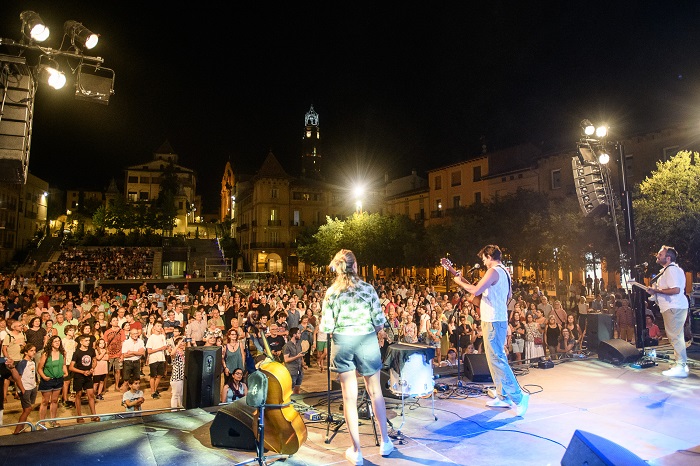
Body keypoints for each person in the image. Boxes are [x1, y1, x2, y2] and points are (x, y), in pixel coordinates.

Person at [320, 249, 395, 465]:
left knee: (349, 398)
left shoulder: (332, 292)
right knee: (375, 391)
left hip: (343, 341)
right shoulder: (368, 288)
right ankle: (385, 442)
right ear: (355, 266)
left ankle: (356, 450)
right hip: (366, 340)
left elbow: (326, 326)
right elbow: (379, 323)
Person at [454, 245, 529, 416]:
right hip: (496, 319)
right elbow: (508, 295)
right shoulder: (504, 272)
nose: (483, 262)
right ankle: (503, 396)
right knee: (493, 359)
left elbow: (474, 290)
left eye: (484, 259)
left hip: (494, 321)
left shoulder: (494, 271)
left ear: (489, 256)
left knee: (498, 359)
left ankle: (519, 397)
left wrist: (458, 281)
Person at [645, 246, 689, 378]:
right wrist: (654, 293)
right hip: (673, 307)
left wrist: (656, 291)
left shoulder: (671, 271)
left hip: (673, 307)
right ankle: (681, 364)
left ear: (668, 258)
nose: (657, 256)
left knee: (674, 336)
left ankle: (680, 365)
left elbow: (675, 290)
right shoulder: (668, 271)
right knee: (677, 336)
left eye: (660, 254)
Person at [38, 335, 67, 427]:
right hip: (48, 380)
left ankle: (53, 421)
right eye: (55, 341)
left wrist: (65, 373)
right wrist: (44, 377)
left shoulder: (62, 353)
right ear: (51, 343)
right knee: (45, 401)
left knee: (54, 400)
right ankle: (42, 422)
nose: (57, 343)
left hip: (58, 379)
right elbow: (39, 368)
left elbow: (63, 365)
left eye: (59, 341)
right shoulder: (46, 354)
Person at [70, 334, 99, 423]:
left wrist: (92, 368)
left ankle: (93, 415)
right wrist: (82, 372)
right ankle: (79, 416)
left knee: (91, 395)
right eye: (86, 340)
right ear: (81, 342)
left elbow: (94, 361)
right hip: (79, 376)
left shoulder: (91, 350)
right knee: (78, 395)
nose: (88, 342)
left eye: (89, 340)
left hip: (88, 376)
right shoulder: (77, 353)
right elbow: (71, 367)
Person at [13, 344, 36, 434]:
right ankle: (17, 430)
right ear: (26, 352)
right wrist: (21, 389)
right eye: (31, 350)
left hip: (32, 387)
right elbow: (18, 377)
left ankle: (22, 427)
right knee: (27, 409)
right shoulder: (22, 363)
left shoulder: (32, 362)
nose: (34, 352)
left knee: (27, 409)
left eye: (34, 350)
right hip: (25, 388)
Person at [283, 327, 305, 395]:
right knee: (289, 391)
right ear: (294, 335)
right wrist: (296, 357)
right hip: (292, 371)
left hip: (299, 370)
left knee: (297, 389)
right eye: (299, 333)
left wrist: (303, 364)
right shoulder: (287, 346)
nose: (300, 334)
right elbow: (286, 359)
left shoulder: (299, 344)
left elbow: (301, 356)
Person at [169, 336, 186, 408]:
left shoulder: (184, 352)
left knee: (181, 394)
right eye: (181, 342)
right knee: (175, 394)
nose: (183, 343)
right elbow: (172, 354)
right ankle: (174, 410)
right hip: (176, 376)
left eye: (183, 342)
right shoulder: (176, 352)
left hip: (183, 376)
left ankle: (181, 408)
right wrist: (177, 345)